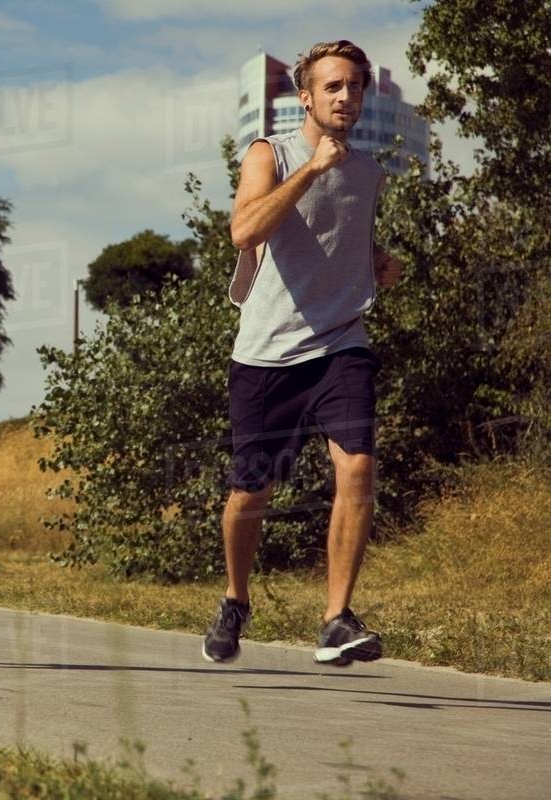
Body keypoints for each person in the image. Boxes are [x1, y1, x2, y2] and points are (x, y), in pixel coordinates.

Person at [203, 41, 403, 666]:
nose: (347, 97)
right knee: (251, 492)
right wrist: (312, 169)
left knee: (359, 468)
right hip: (267, 354)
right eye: (333, 87)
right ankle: (236, 600)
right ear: (306, 97)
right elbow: (245, 230)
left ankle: (336, 618)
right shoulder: (272, 153)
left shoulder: (370, 172)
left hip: (342, 342)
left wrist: (378, 264)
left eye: (355, 87)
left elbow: (339, 243)